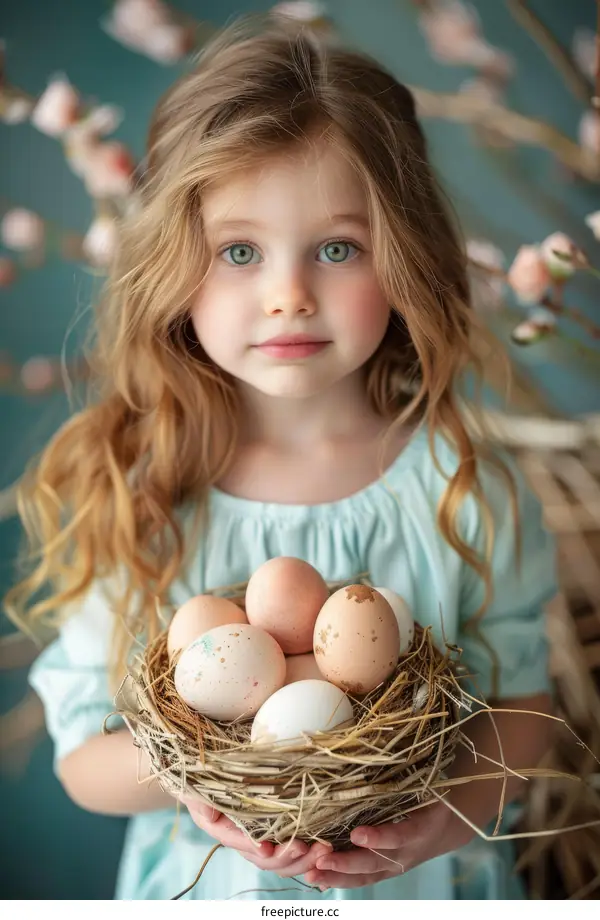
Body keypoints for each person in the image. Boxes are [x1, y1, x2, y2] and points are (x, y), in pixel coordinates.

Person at [5, 13, 557, 902]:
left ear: (404, 256)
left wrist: (444, 818)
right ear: (173, 266)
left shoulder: (462, 490)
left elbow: (524, 711)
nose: (289, 295)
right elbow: (82, 760)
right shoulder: (146, 490)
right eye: (239, 251)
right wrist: (203, 776)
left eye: (338, 249)